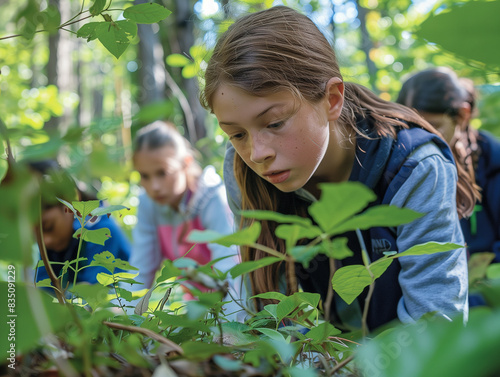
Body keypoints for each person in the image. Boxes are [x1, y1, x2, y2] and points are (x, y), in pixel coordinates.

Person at [200, 6, 480, 331]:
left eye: (274, 123)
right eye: (236, 134)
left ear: (332, 99)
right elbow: (266, 319)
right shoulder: (242, 171)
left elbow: (436, 329)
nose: (256, 153)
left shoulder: (413, 168)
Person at [130, 120, 243, 313]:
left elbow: (229, 270)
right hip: (198, 311)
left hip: (237, 305)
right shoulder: (149, 204)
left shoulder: (211, 198)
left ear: (186, 163)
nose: (154, 186)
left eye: (162, 173)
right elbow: (141, 270)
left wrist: (229, 330)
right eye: (145, 176)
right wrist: (122, 316)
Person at [397, 67, 500, 263]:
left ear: (462, 115)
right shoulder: (403, 169)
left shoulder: (493, 162)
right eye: (410, 128)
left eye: (433, 127)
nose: (419, 139)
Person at [31, 160, 131, 288]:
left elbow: (93, 295)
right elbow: (43, 290)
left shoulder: (101, 231)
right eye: (34, 235)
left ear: (69, 203)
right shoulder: (51, 242)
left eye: (49, 227)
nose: (45, 241)